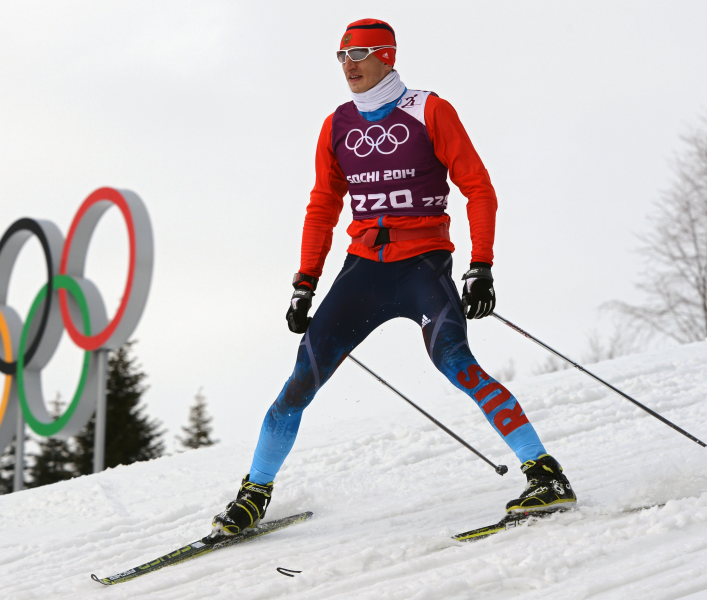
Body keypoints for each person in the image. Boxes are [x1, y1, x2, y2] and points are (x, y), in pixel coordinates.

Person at [213, 18, 576, 536]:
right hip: (362, 270)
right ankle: (254, 494)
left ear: (387, 54)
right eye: (340, 55)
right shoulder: (337, 123)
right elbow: (322, 205)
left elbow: (478, 187)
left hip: (422, 266)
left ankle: (545, 474)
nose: (348, 63)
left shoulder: (430, 109)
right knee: (300, 382)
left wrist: (482, 266)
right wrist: (304, 283)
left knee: (456, 363)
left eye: (358, 52)